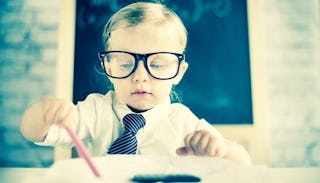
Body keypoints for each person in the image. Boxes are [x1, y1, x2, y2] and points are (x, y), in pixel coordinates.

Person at [20, 1, 251, 165]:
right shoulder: (95, 111)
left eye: (158, 65)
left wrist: (221, 150)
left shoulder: (182, 121)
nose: (140, 76)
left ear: (178, 72)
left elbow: (244, 162)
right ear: (108, 68)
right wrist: (42, 113)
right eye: (124, 63)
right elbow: (34, 133)